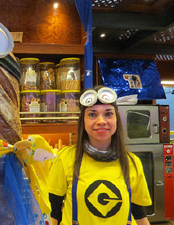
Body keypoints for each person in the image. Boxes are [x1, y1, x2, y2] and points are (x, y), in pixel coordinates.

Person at [48, 85, 152, 225]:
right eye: (92, 114)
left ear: (116, 119)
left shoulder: (131, 162)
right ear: (83, 121)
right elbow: (55, 213)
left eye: (108, 113)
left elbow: (139, 214)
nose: (101, 121)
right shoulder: (65, 158)